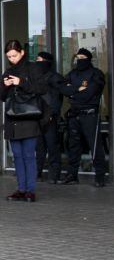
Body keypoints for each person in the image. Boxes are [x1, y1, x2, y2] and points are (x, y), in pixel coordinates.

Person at [0, 40, 47, 202]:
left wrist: (21, 83)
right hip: (13, 118)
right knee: (17, 156)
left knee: (28, 155)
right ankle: (21, 189)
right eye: (9, 56)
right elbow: (2, 97)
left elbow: (41, 89)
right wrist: (6, 86)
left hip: (29, 117)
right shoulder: (7, 71)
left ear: (22, 53)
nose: (12, 59)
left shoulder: (33, 68)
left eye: (14, 55)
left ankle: (30, 190)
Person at [59, 48, 107, 187]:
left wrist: (73, 93)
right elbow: (62, 88)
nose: (79, 60)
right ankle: (72, 175)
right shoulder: (72, 73)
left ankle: (99, 177)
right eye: (77, 57)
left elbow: (90, 93)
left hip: (90, 115)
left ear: (88, 58)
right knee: (73, 146)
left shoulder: (96, 74)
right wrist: (76, 90)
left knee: (95, 145)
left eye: (82, 57)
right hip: (74, 115)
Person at [35, 52, 64, 184]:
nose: (37, 62)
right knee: (39, 147)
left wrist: (52, 114)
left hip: (49, 118)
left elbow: (57, 98)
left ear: (46, 62)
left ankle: (54, 175)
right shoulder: (36, 78)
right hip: (37, 117)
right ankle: (37, 173)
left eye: (39, 60)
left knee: (52, 146)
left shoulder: (55, 78)